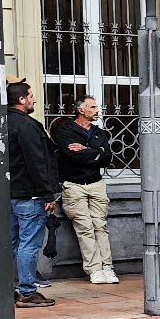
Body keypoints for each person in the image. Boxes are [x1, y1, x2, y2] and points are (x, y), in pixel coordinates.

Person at [6, 81, 59, 307]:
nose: (34, 99)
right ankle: (27, 290)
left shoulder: (0, 122)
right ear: (21, 99)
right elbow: (37, 162)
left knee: (14, 243)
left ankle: (10, 288)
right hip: (30, 194)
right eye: (31, 95)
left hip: (10, 193)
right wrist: (48, 194)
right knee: (29, 244)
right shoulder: (26, 125)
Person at [51, 95, 115, 284]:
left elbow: (108, 158)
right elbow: (72, 156)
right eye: (93, 107)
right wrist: (97, 152)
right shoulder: (66, 130)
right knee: (85, 228)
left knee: (100, 226)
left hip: (96, 184)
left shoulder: (99, 132)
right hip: (74, 186)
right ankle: (94, 269)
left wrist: (88, 150)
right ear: (81, 110)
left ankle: (107, 267)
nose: (97, 110)